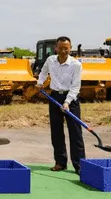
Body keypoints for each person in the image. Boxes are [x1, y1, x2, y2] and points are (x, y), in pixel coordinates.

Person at [36, 36, 85, 174]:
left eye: (66, 48)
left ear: (70, 48)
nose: (63, 51)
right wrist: (40, 82)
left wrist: (67, 102)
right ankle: (60, 162)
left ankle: (79, 165)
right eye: (61, 48)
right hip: (55, 96)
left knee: (75, 132)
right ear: (56, 48)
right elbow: (43, 71)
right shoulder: (50, 60)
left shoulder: (76, 65)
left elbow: (76, 87)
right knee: (56, 132)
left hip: (72, 98)